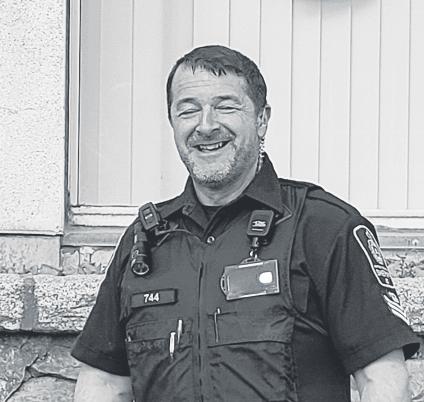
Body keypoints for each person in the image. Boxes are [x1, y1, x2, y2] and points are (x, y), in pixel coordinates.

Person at [72, 45, 420, 402]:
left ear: (261, 119)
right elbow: (104, 383)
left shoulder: (324, 226)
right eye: (188, 110)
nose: (206, 125)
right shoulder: (146, 241)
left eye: (226, 107)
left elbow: (382, 379)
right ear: (172, 122)